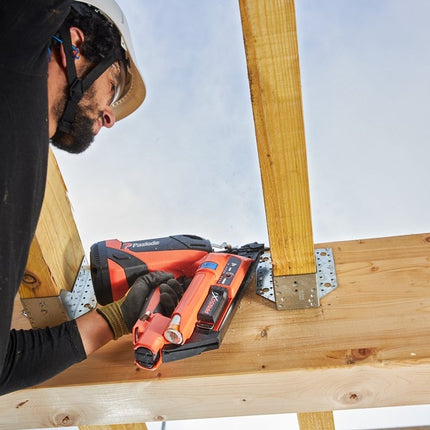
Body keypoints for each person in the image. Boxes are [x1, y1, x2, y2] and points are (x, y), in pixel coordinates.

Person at [0, 0, 183, 395]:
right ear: (75, 44)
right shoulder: (15, 50)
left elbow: (2, 366)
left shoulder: (27, 173)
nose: (110, 117)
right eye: (112, 86)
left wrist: (117, 320)